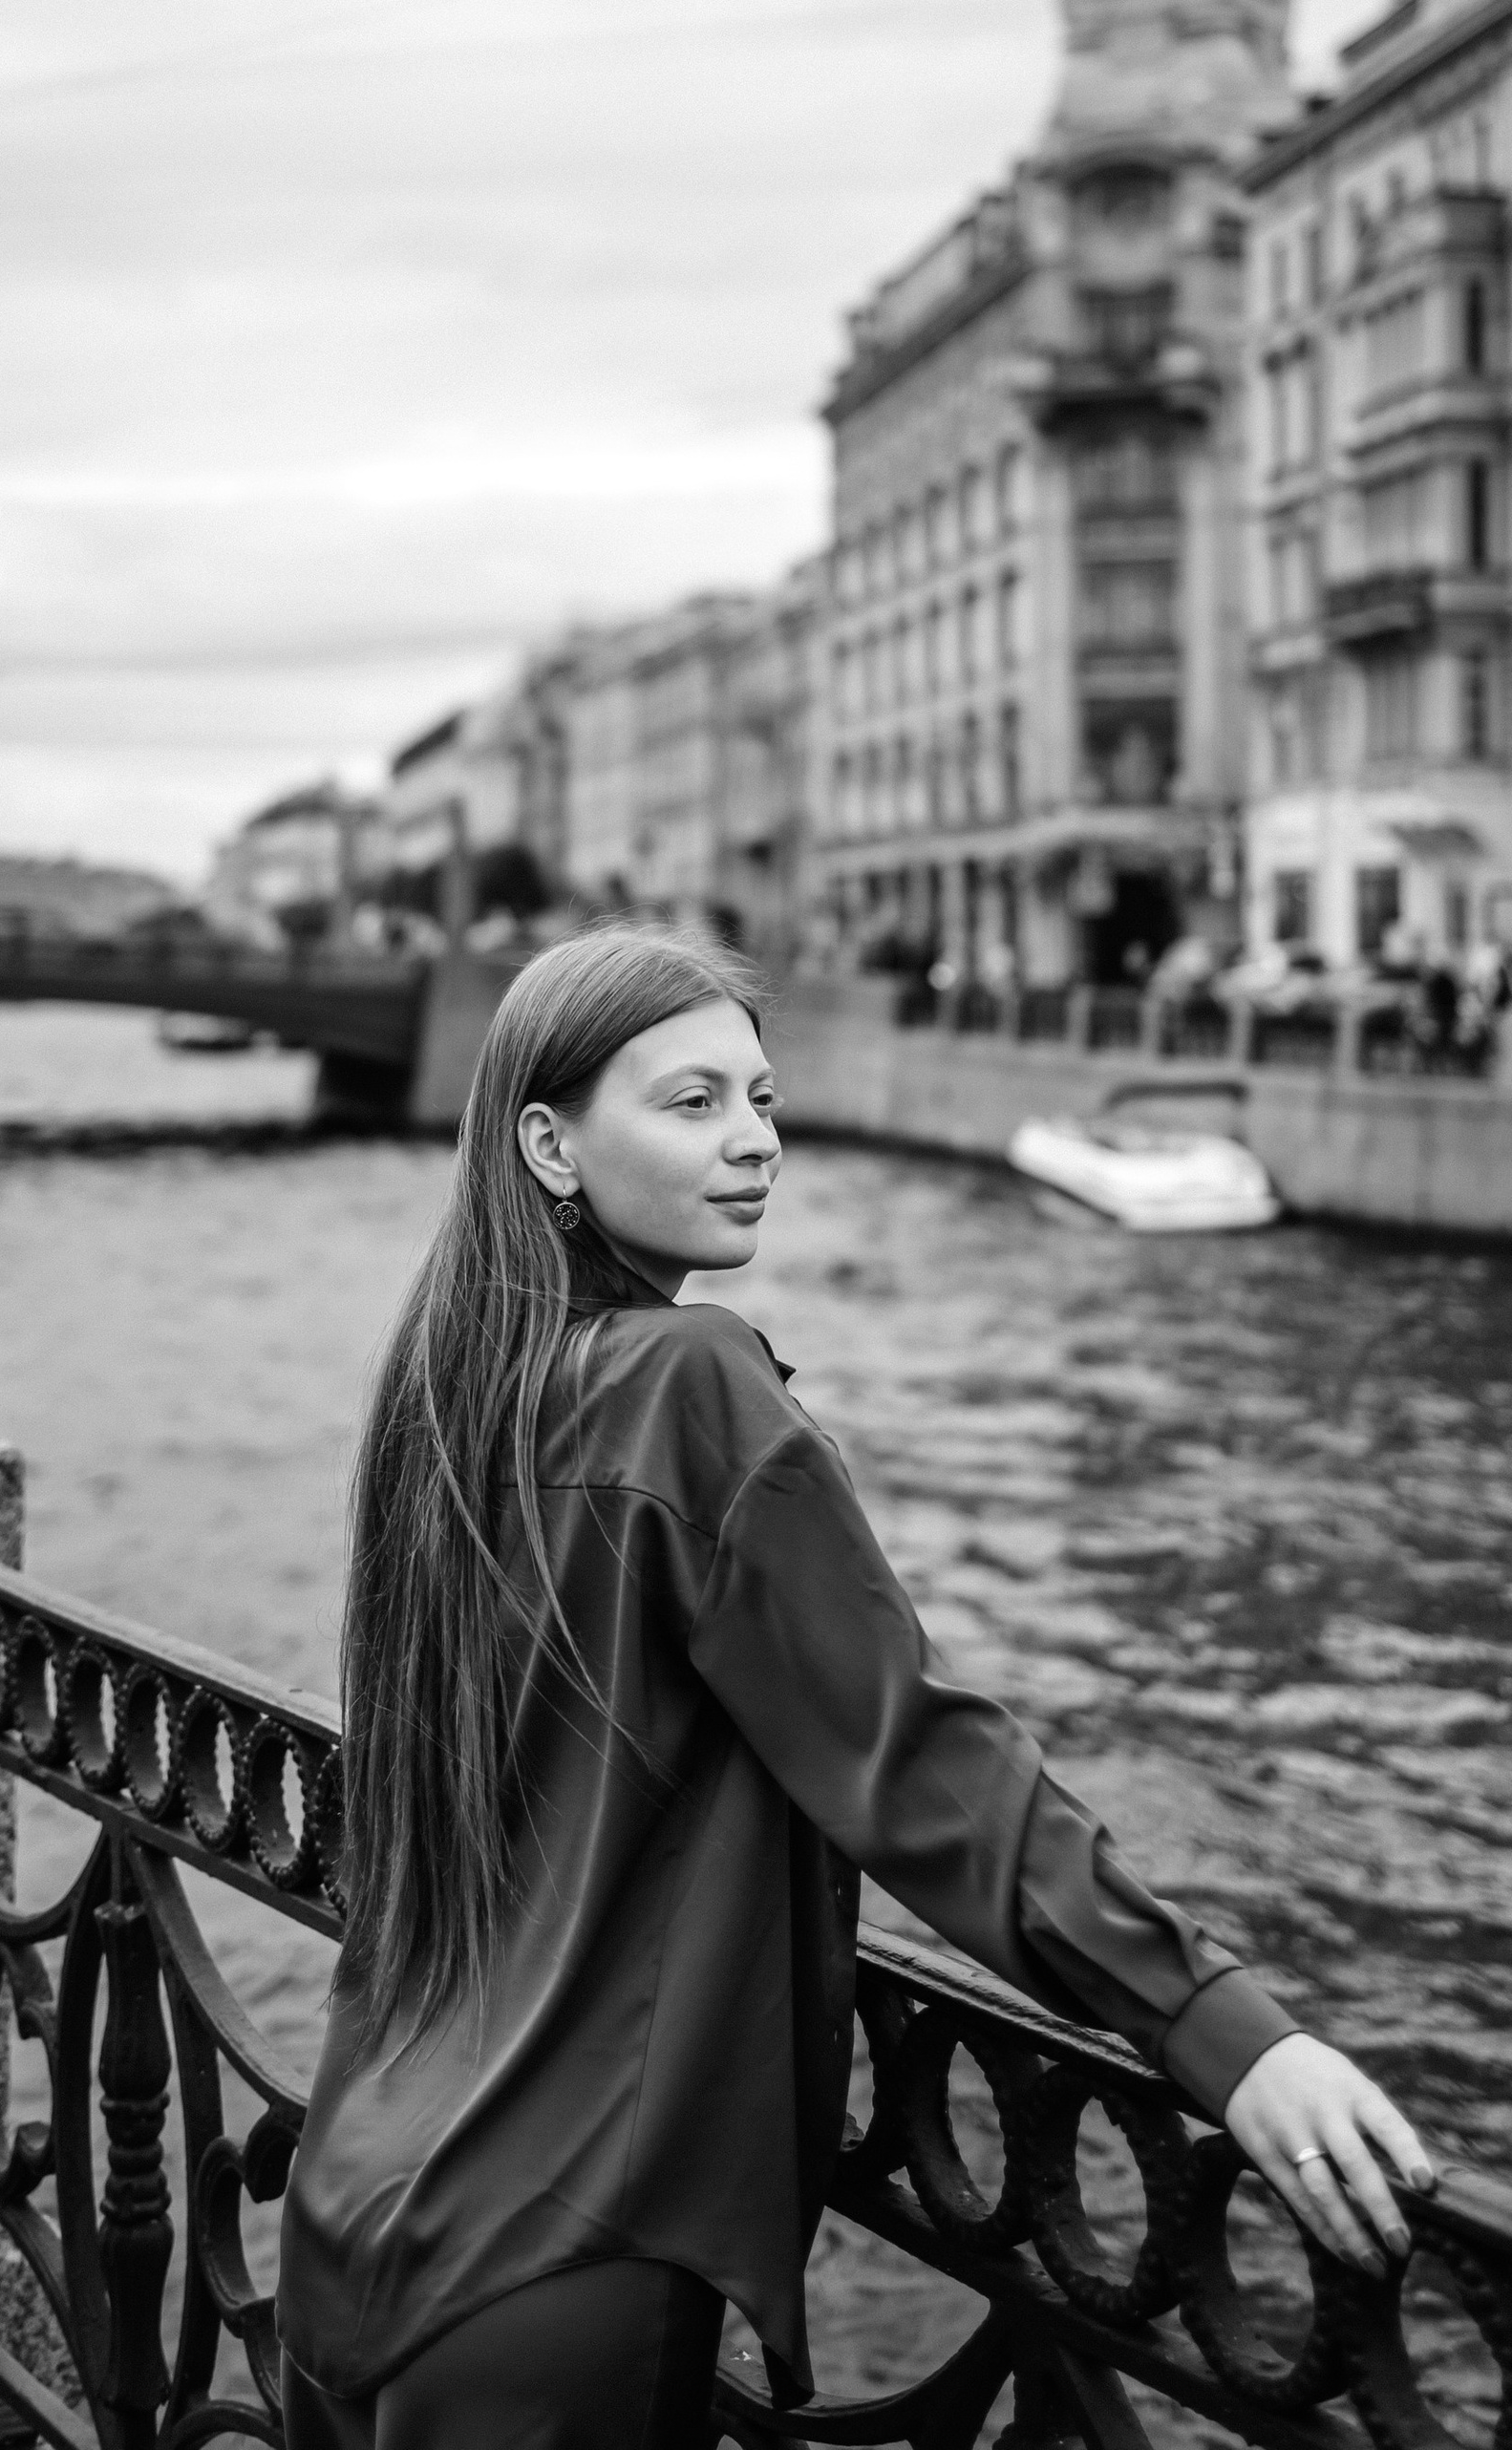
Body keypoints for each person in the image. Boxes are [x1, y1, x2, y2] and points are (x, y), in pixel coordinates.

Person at [278, 928, 1433, 2450]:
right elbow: (918, 1754)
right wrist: (1223, 2027)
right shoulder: (682, 1384)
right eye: (693, 1104)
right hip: (557, 2256)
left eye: (762, 1097)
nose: (756, 1140)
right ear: (549, 1145)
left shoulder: (447, 1390)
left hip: (359, 2208)